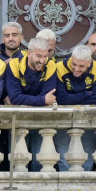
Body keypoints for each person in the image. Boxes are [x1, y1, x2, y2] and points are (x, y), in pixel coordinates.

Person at [3, 37, 57, 171]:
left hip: (42, 120)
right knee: (18, 162)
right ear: (29, 53)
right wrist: (42, 100)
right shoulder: (14, 64)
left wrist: (24, 99)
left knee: (39, 162)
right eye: (38, 56)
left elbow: (48, 95)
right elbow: (15, 97)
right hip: (17, 120)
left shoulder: (51, 64)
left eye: (45, 56)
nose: (42, 60)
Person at [54, 44, 96, 171]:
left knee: (87, 157)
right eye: (74, 64)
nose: (76, 69)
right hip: (63, 118)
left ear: (89, 63)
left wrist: (72, 97)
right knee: (63, 156)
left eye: (81, 66)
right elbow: (61, 99)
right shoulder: (60, 67)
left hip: (89, 118)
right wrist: (86, 94)